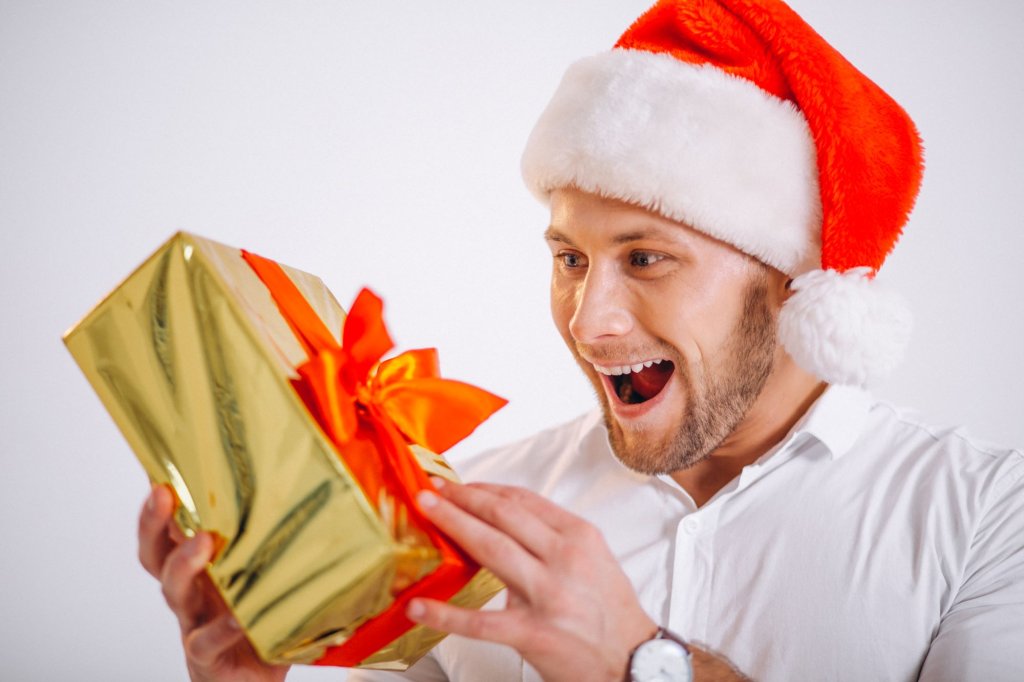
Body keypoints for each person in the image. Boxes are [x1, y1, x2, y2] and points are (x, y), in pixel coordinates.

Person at [136, 1, 1024, 680]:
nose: (588, 321)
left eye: (646, 258)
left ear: (792, 280)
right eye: (568, 257)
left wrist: (638, 660)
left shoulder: (985, 517)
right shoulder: (480, 511)